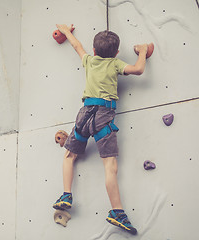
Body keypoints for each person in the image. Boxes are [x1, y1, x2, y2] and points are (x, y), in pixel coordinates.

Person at [52, 24, 149, 235]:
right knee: (110, 166)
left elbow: (76, 45)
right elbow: (138, 69)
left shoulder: (89, 60)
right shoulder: (115, 64)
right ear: (115, 52)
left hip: (84, 115)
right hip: (103, 117)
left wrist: (66, 30)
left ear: (94, 51)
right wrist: (142, 51)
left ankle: (66, 194)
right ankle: (116, 211)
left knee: (69, 156)